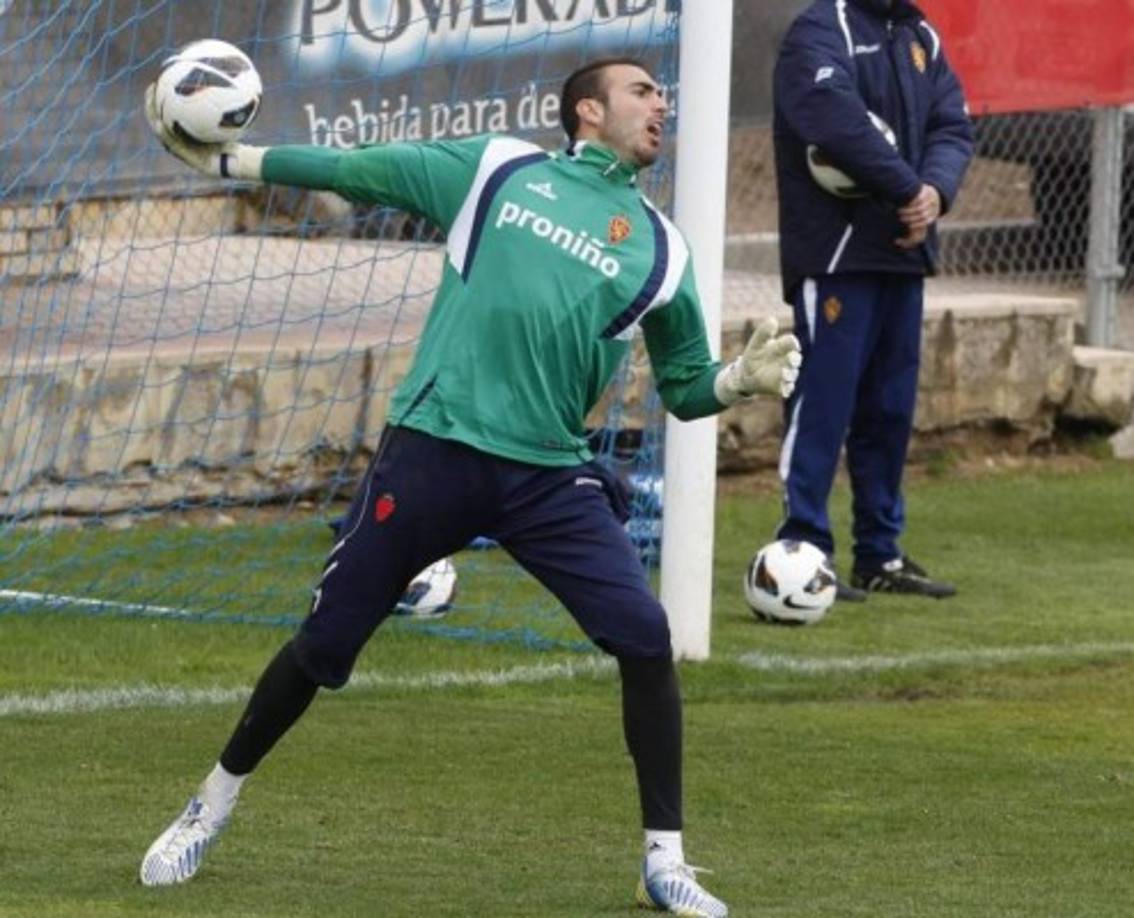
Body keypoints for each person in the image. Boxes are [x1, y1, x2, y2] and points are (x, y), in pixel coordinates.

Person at [137, 56, 802, 917]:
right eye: (642, 91)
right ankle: (210, 804)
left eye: (660, 94)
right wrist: (237, 161)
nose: (660, 104)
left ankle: (664, 862)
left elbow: (683, 385)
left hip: (549, 475)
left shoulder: (663, 249)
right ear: (588, 110)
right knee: (325, 647)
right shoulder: (499, 169)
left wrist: (736, 381)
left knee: (645, 635)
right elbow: (357, 170)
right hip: (433, 450)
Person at [770, 0, 974, 601]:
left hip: (903, 254)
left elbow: (952, 125)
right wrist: (906, 188)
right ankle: (804, 550)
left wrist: (935, 190)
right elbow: (831, 118)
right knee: (823, 404)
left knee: (889, 411)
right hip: (837, 254)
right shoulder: (820, 28)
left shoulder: (920, 35)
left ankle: (880, 554)